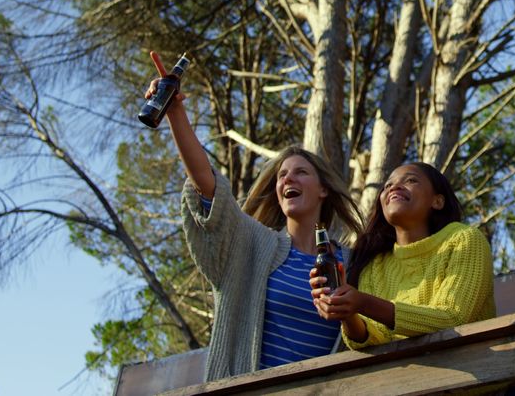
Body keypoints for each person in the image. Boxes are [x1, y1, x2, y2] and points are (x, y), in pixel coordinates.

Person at [144, 55, 364, 381]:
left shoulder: (352, 262)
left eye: (300, 172)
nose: (287, 180)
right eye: (282, 176)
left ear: (323, 190)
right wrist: (176, 112)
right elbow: (209, 187)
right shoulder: (252, 244)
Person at [310, 162, 495, 348]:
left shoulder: (463, 240)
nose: (394, 187)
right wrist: (347, 312)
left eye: (411, 180)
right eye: (387, 185)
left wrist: (364, 303)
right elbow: (373, 341)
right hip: (398, 374)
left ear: (437, 201)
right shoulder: (375, 265)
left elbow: (453, 317)